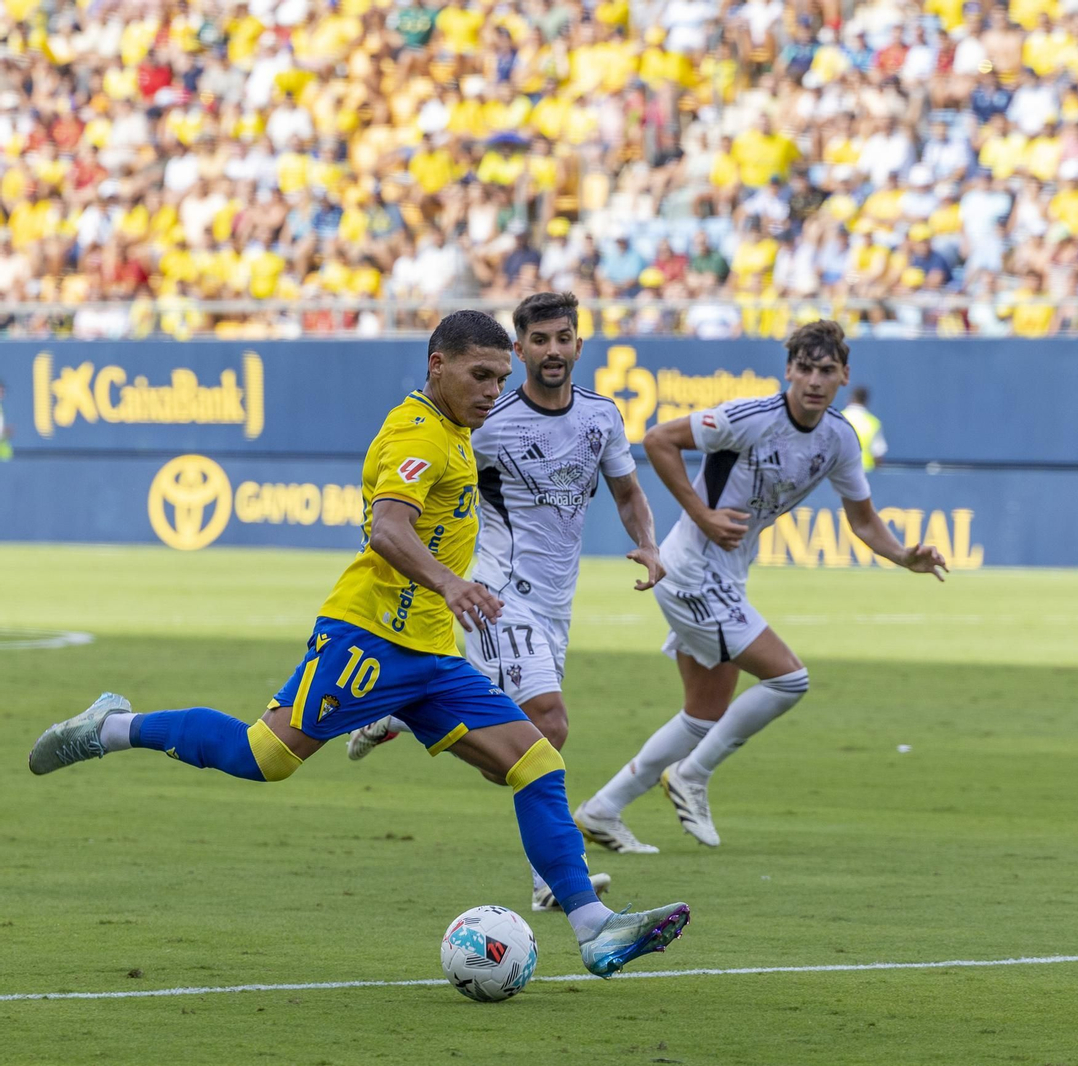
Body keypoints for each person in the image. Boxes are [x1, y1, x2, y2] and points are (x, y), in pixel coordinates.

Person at [26, 310, 690, 978]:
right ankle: (111, 727)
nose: (494, 390)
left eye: (500, 377)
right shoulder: (417, 432)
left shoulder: (460, 431)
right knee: (264, 756)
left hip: (432, 655)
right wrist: (451, 584)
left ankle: (594, 928)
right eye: (480, 375)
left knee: (537, 763)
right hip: (369, 639)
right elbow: (388, 530)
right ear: (438, 365)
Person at [344, 292, 668, 907]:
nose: (552, 350)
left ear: (578, 344)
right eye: (539, 340)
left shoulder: (602, 416)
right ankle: (553, 881)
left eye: (563, 337)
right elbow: (427, 462)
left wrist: (649, 545)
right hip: (494, 591)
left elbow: (627, 493)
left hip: (554, 604)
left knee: (510, 758)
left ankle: (409, 703)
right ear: (517, 350)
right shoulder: (487, 418)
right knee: (549, 722)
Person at [573, 321, 948, 850]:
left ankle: (602, 810)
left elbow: (863, 521)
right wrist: (702, 514)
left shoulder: (839, 437)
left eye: (826, 370)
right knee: (789, 680)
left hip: (725, 574)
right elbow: (658, 440)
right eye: (805, 369)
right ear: (789, 371)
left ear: (843, 375)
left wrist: (905, 555)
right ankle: (691, 776)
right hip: (692, 571)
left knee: (703, 713)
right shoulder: (748, 418)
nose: (814, 380)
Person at [841, 387, 888, 472]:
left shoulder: (837, 419)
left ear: (850, 398)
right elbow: (877, 455)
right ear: (866, 401)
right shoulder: (873, 423)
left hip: (839, 474)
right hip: (865, 475)